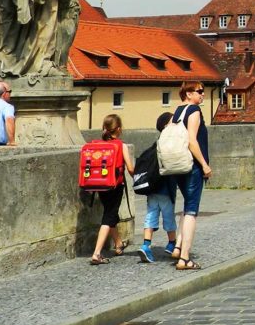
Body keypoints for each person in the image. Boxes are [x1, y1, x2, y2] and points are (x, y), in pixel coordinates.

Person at [170, 81, 213, 271]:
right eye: (199, 91)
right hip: (192, 165)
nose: (202, 95)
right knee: (191, 211)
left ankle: (178, 247)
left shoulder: (177, 112)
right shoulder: (194, 111)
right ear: (188, 94)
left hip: (177, 166)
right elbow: (192, 141)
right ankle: (185, 258)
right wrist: (204, 165)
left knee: (186, 206)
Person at [89, 114, 135, 265]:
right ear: (119, 129)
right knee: (108, 217)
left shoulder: (98, 145)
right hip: (115, 186)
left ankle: (118, 244)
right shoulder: (121, 146)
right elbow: (130, 168)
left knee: (110, 212)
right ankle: (97, 253)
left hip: (100, 186)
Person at [137, 112, 178, 264]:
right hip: (166, 189)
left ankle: (146, 245)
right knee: (169, 217)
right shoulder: (169, 143)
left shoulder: (155, 144)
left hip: (152, 188)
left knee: (151, 216)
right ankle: (172, 243)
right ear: (167, 126)